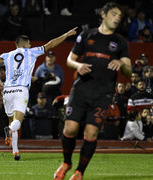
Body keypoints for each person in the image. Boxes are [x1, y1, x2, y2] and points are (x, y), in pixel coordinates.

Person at [53, 3, 132, 180]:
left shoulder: (120, 42)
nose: (117, 17)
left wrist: (122, 64)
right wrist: (78, 65)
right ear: (104, 14)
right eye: (114, 14)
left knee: (91, 133)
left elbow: (129, 71)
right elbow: (70, 60)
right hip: (81, 90)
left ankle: (79, 172)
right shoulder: (87, 35)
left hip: (102, 94)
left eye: (119, 16)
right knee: (70, 128)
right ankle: (66, 162)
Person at [0, 27, 77, 161]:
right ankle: (10, 130)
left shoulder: (6, 55)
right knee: (17, 122)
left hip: (7, 91)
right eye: (29, 43)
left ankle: (15, 152)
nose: (31, 45)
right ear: (25, 44)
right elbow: (50, 45)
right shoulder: (31, 52)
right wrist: (66, 35)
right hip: (21, 90)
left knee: (11, 120)